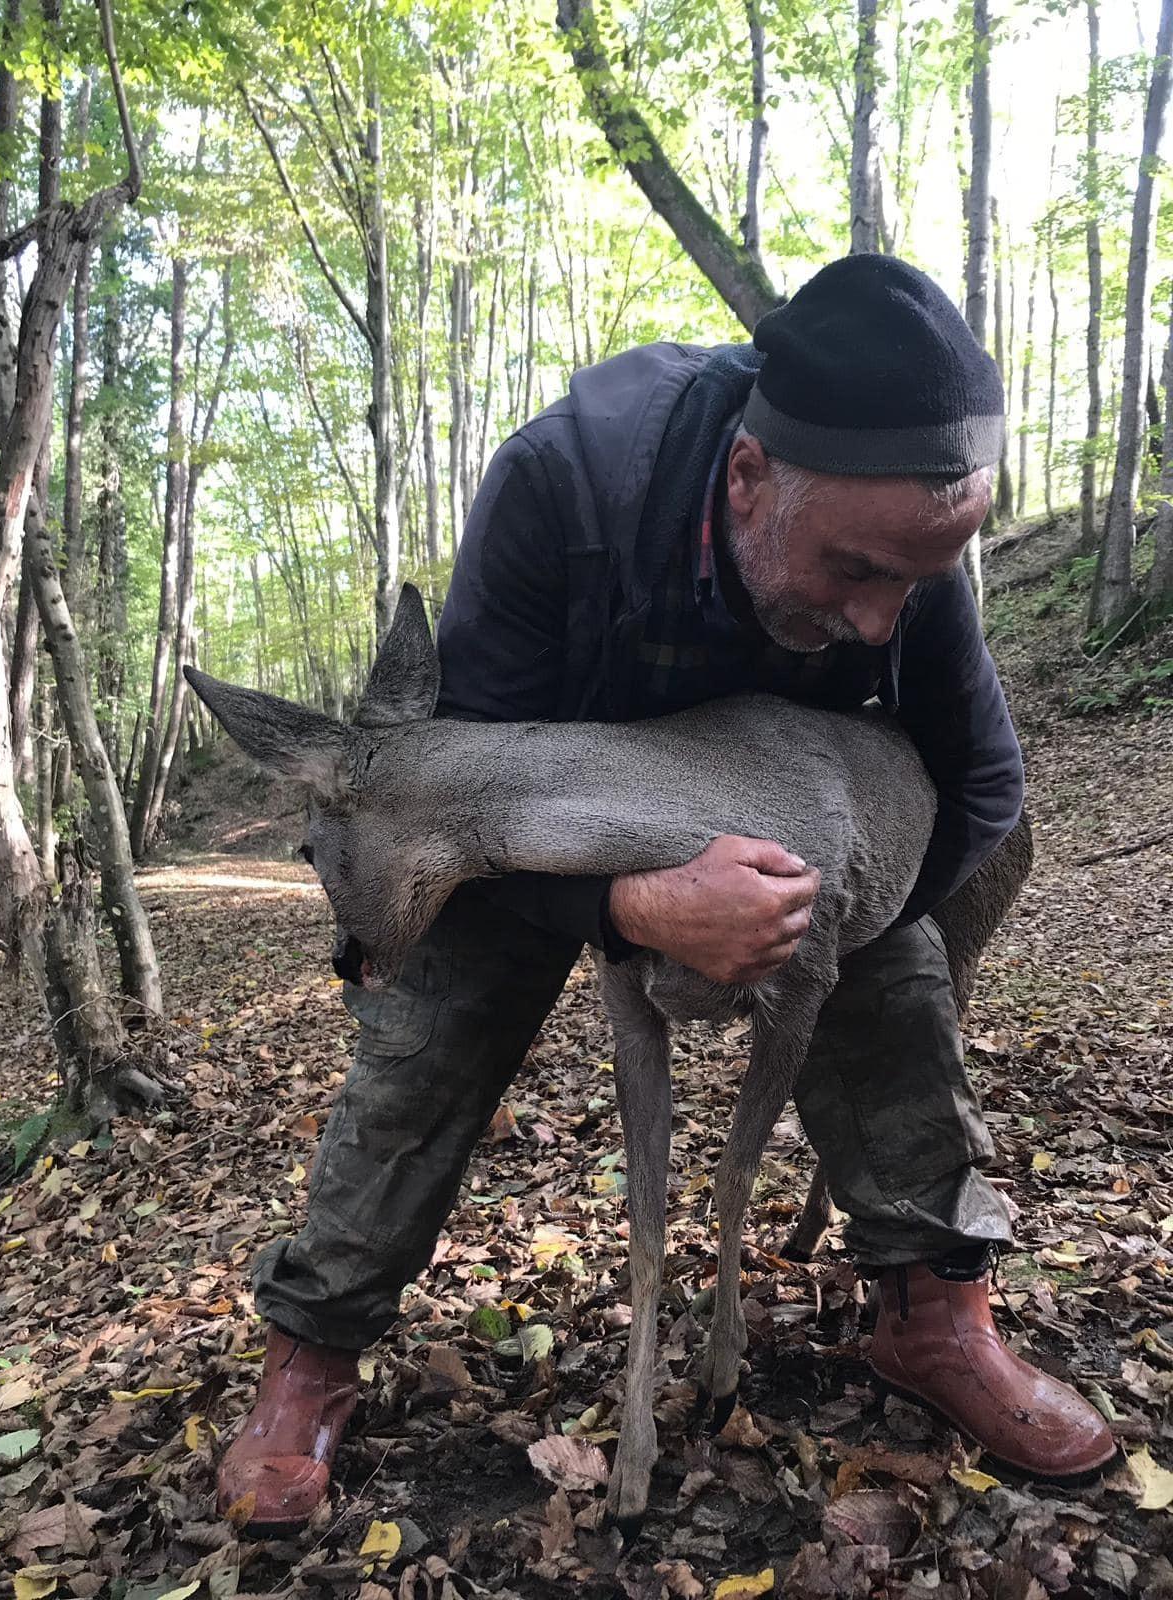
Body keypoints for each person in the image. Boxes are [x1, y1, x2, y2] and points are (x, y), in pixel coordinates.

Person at [216, 256, 1117, 1528]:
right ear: (750, 480)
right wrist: (624, 912)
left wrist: (856, 920)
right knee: (429, 1017)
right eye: (854, 571)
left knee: (886, 969)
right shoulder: (562, 488)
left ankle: (931, 1307)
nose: (879, 621)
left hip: (791, 810)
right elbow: (463, 791)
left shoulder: (901, 556)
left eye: (911, 584)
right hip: (539, 825)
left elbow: (982, 785)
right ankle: (315, 1346)